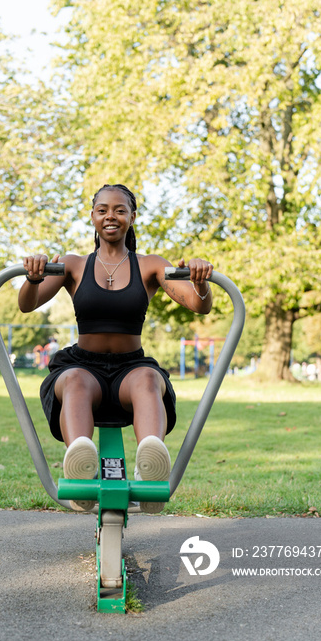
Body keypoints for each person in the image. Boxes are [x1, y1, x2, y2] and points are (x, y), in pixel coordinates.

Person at [18, 184, 213, 512]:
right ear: (92, 217)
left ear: (132, 217)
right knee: (76, 381)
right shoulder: (73, 265)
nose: (111, 216)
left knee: (150, 380)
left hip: (130, 368)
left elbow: (199, 306)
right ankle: (81, 470)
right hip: (82, 366)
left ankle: (149, 471)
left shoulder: (150, 265)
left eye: (120, 210)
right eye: (103, 209)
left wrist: (200, 280)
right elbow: (27, 304)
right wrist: (33, 277)